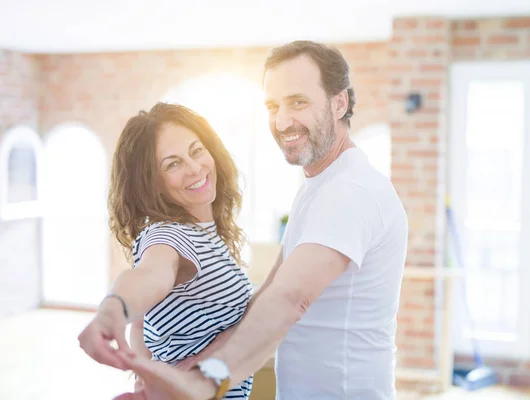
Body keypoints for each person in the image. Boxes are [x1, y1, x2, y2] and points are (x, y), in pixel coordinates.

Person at [115, 40, 408, 400]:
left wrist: (205, 380)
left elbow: (290, 298)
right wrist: (186, 369)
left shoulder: (351, 191)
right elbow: (269, 293)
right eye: (273, 106)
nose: (283, 121)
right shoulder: (316, 189)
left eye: (298, 102)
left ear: (339, 103)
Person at [77, 102, 254, 399]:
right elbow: (150, 274)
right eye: (173, 164)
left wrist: (144, 369)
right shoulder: (169, 235)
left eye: (196, 151)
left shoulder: (206, 235)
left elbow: (143, 323)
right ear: (153, 184)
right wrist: (114, 307)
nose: (195, 168)